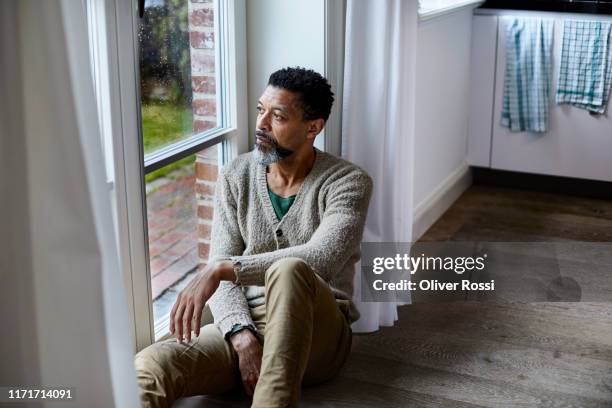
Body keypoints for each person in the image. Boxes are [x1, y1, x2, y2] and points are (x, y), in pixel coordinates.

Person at [134, 67, 373, 408]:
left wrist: (222, 269)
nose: (260, 124)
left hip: (319, 333)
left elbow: (321, 258)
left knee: (290, 269)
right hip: (248, 325)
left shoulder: (348, 182)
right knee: (150, 367)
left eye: (277, 116)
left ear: (313, 127)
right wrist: (240, 334)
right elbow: (223, 262)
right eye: (261, 110)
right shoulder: (236, 174)